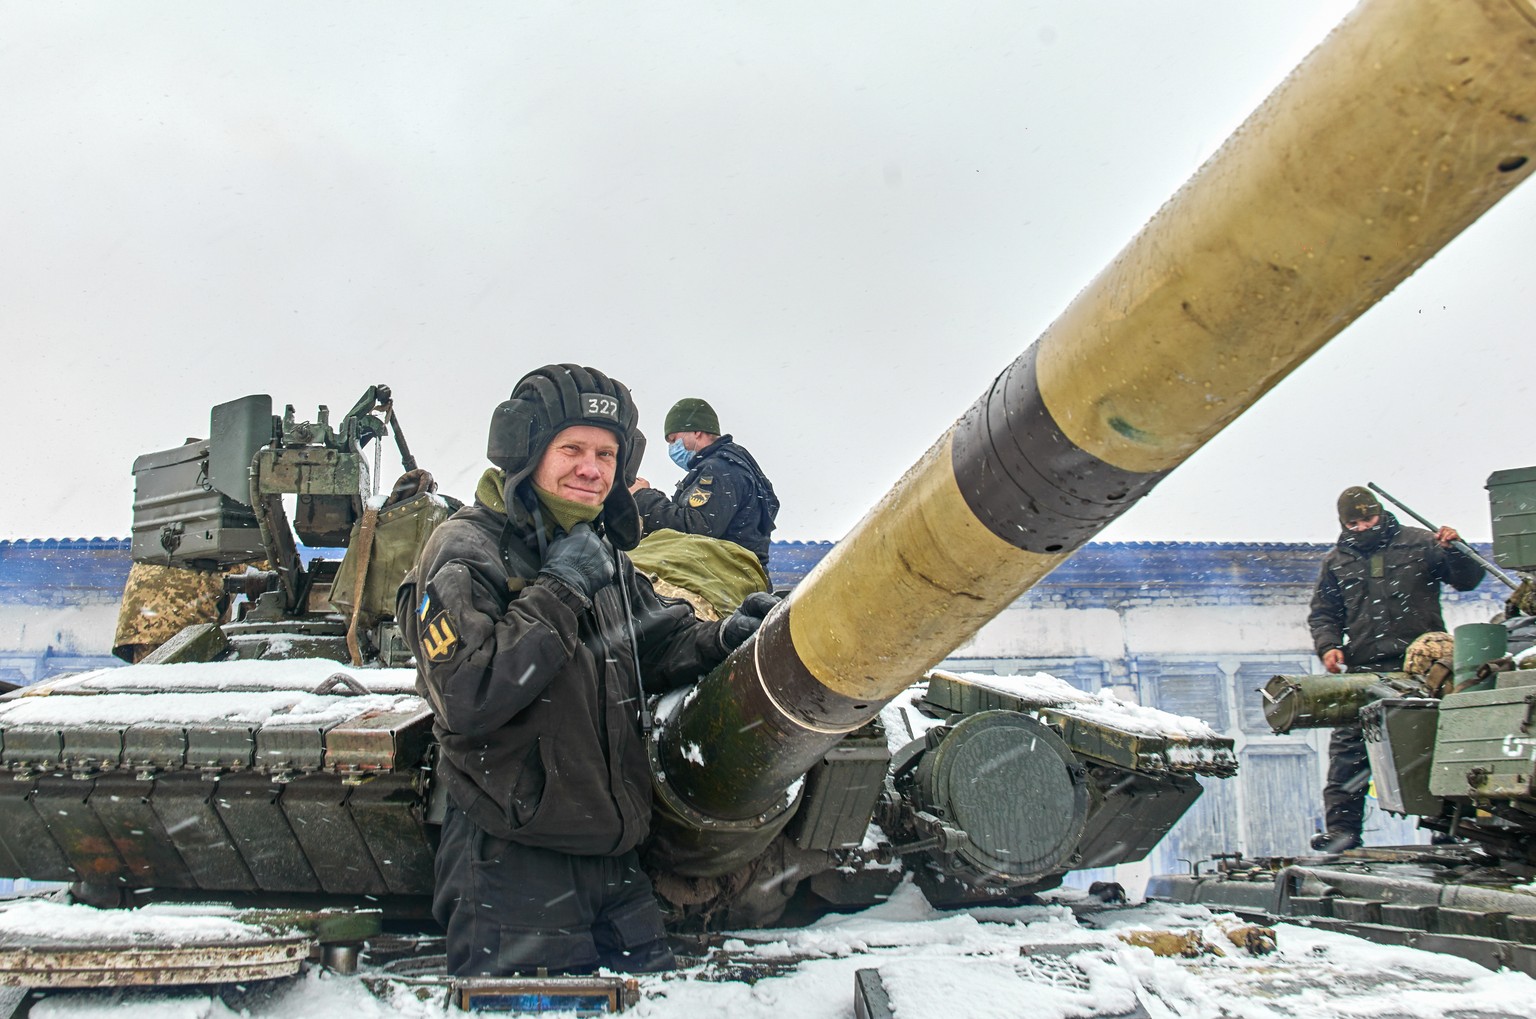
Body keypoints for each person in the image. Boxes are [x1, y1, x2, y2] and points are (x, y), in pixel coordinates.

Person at [399, 365, 777, 977]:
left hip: (615, 861)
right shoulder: (467, 549)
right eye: (571, 448)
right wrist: (560, 587)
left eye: (606, 453)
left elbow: (656, 646)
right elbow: (469, 693)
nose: (591, 468)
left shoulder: (599, 550)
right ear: (527, 453)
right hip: (514, 865)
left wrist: (722, 638)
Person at [1306, 485, 1485, 852]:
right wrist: (1327, 647)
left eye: (1367, 518)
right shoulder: (1336, 561)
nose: (1362, 527)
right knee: (1348, 753)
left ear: (1380, 513)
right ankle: (1342, 832)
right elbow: (1323, 613)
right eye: (1353, 522)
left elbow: (1468, 580)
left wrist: (1456, 548)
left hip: (1424, 668)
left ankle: (1450, 829)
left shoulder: (1422, 543)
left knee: (1437, 747)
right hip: (1364, 670)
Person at [629, 398, 779, 567]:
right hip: (731, 571)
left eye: (673, 440)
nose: (671, 448)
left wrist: (644, 497)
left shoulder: (720, 470)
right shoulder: (729, 464)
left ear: (696, 432)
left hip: (725, 574)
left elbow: (696, 530)